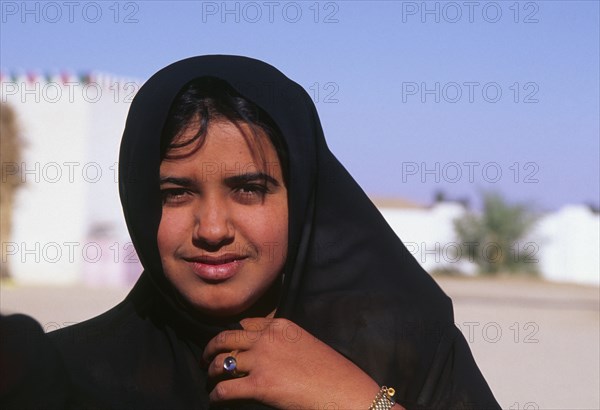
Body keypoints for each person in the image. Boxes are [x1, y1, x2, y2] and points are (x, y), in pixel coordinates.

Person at [49, 55, 501, 409]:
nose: (211, 229)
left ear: (302, 199)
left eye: (249, 189)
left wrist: (355, 400)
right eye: (177, 193)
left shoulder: (405, 345)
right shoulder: (61, 376)